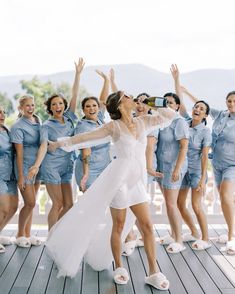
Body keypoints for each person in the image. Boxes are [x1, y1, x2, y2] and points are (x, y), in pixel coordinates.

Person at [46, 90, 175, 290]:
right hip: (120, 180)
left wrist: (155, 102)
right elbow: (85, 138)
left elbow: (170, 115)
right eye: (128, 97)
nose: (133, 98)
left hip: (137, 182)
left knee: (147, 225)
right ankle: (119, 267)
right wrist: (59, 144)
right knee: (119, 225)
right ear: (119, 105)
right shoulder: (113, 126)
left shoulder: (144, 121)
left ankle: (153, 272)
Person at [179, 86, 235, 255]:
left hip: (233, 165)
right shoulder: (221, 115)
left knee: (226, 197)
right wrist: (186, 91)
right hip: (217, 164)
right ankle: (230, 231)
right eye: (229, 101)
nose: (232, 104)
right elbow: (204, 107)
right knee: (227, 200)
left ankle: (232, 237)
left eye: (234, 102)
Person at [32, 58, 85, 231]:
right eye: (54, 104)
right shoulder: (46, 125)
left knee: (69, 204)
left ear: (64, 105)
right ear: (50, 108)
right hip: (51, 167)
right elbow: (43, 146)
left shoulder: (69, 117)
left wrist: (77, 74)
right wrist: (36, 166)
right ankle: (51, 237)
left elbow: (75, 96)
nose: (58, 106)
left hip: (67, 166)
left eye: (60, 103)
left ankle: (57, 232)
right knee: (58, 203)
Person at [171, 64, 212, 250]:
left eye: (201, 108)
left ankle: (205, 238)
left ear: (205, 115)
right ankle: (194, 232)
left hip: (197, 173)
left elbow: (205, 157)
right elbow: (179, 101)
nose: (197, 109)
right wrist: (176, 79)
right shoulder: (184, 121)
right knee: (180, 204)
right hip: (184, 170)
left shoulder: (205, 132)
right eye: (196, 107)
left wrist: (203, 179)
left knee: (196, 205)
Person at [156, 90, 189, 253]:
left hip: (173, 168)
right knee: (169, 204)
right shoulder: (161, 120)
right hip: (161, 167)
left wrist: (177, 170)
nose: (167, 105)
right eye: (164, 102)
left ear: (177, 106)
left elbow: (184, 147)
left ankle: (179, 240)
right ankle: (173, 233)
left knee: (171, 204)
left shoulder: (179, 122)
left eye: (170, 102)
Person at [10, 95, 42, 247]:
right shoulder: (17, 127)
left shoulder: (37, 121)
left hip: (36, 168)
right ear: (20, 108)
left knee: (32, 204)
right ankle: (19, 234)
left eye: (32, 105)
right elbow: (19, 154)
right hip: (24, 169)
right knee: (30, 202)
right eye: (27, 106)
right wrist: (21, 177)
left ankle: (28, 235)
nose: (31, 108)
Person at [74, 70, 110, 192]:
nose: (92, 108)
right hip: (89, 170)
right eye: (88, 106)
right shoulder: (82, 127)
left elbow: (103, 100)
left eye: (94, 105)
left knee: (102, 203)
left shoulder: (99, 119)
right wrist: (86, 174)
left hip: (104, 167)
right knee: (91, 204)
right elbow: (86, 151)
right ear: (83, 110)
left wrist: (106, 81)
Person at [0, 106, 18, 253]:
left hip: (11, 175)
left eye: (3, 112)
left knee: (13, 208)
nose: (2, 115)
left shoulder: (6, 130)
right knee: (4, 209)